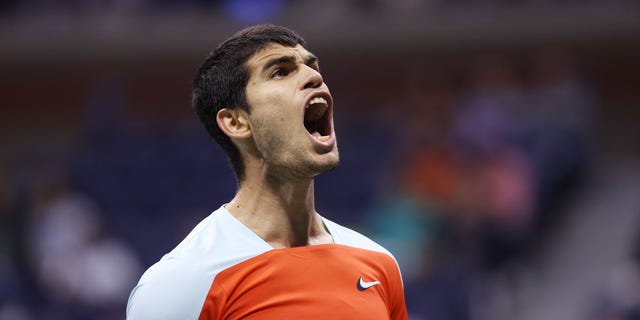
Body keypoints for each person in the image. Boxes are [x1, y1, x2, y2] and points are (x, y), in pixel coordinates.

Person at [126, 24, 407, 319]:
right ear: (236, 123)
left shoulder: (379, 263)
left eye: (311, 66)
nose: (315, 77)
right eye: (280, 72)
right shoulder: (181, 284)